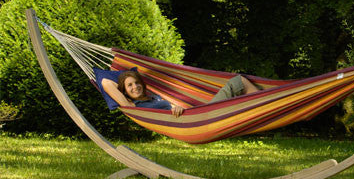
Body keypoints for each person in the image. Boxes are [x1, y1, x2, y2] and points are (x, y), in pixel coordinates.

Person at [101, 71, 260, 117]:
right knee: (238, 82)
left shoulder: (151, 98)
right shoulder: (133, 106)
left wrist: (175, 106)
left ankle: (266, 105)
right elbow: (106, 83)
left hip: (197, 115)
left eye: (137, 83)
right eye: (130, 86)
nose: (135, 87)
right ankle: (264, 105)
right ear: (123, 91)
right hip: (200, 120)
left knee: (240, 82)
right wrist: (124, 90)